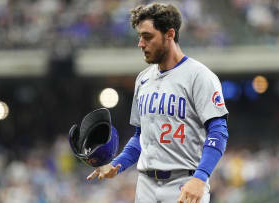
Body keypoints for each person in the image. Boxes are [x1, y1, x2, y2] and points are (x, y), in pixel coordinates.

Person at [86, 3, 229, 203]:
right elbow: (140, 137)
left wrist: (200, 177)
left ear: (169, 34)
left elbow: (218, 132)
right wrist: (117, 165)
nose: (141, 44)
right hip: (145, 184)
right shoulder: (142, 80)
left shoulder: (199, 76)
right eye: (139, 37)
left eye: (147, 36)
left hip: (184, 182)